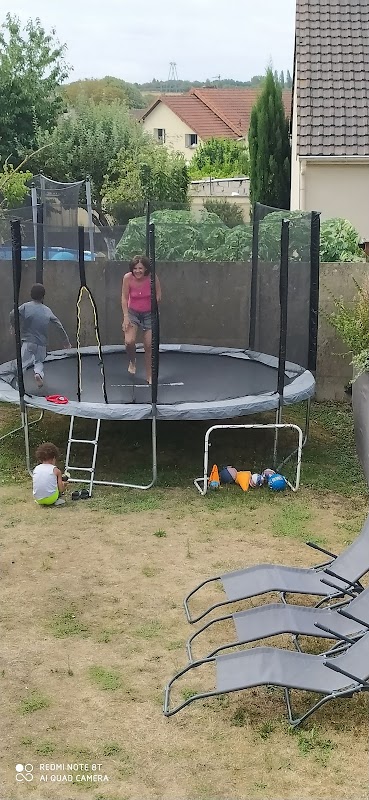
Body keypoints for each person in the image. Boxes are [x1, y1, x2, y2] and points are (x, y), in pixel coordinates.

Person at [9, 283, 71, 389]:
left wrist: (13, 325)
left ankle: (19, 387)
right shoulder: (47, 310)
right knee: (39, 362)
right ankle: (38, 373)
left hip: (28, 342)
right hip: (41, 344)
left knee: (22, 364)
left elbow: (12, 313)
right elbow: (58, 325)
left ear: (31, 294)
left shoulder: (26, 306)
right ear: (43, 296)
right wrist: (66, 341)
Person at [121, 255, 161, 384]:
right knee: (129, 341)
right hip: (132, 313)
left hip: (149, 314)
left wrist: (153, 306)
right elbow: (124, 298)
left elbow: (158, 294)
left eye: (140, 268)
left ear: (145, 269)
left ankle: (149, 375)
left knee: (149, 346)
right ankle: (132, 361)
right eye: (135, 268)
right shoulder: (127, 278)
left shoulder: (152, 277)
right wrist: (126, 317)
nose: (137, 271)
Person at [32, 442, 68, 507]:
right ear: (54, 458)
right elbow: (61, 489)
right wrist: (64, 485)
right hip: (51, 499)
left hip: (38, 499)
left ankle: (42, 500)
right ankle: (56, 500)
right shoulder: (56, 470)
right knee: (61, 485)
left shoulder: (36, 468)